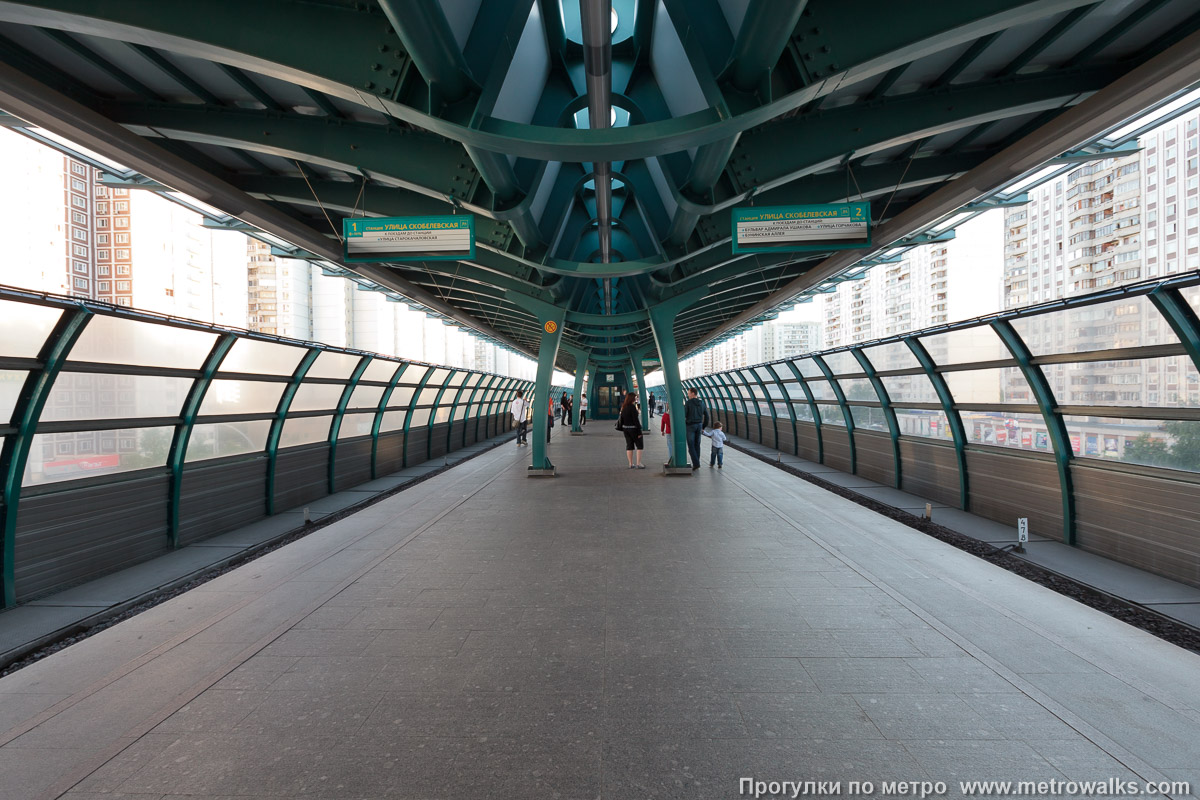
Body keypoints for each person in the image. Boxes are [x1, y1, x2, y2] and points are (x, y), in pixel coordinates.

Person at [618, 391, 645, 469]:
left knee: (629, 446)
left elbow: (622, 419)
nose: (636, 399)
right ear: (632, 399)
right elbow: (635, 420)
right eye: (635, 398)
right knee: (639, 446)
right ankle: (638, 463)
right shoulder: (632, 407)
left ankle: (630, 464)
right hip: (634, 429)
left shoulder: (623, 407)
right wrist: (639, 431)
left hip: (626, 429)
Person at [684, 388, 708, 471]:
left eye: (689, 393)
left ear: (693, 393)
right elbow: (707, 416)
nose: (688, 395)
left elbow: (684, 414)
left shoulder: (688, 403)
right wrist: (703, 427)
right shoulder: (702, 403)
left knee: (691, 446)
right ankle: (696, 462)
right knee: (697, 445)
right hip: (699, 425)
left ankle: (696, 463)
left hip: (690, 426)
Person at [660, 402, 672, 466]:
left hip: (668, 432)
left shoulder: (665, 415)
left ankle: (670, 459)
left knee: (670, 446)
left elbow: (663, 423)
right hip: (676, 432)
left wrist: (662, 431)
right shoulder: (675, 415)